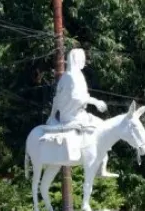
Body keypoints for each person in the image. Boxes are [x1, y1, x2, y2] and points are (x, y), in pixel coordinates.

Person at [47, 48, 117, 177]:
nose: (84, 61)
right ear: (75, 59)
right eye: (81, 59)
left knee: (104, 128)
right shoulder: (69, 77)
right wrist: (95, 102)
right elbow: (75, 97)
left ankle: (102, 166)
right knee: (96, 130)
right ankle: (91, 159)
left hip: (79, 113)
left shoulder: (76, 75)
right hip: (70, 116)